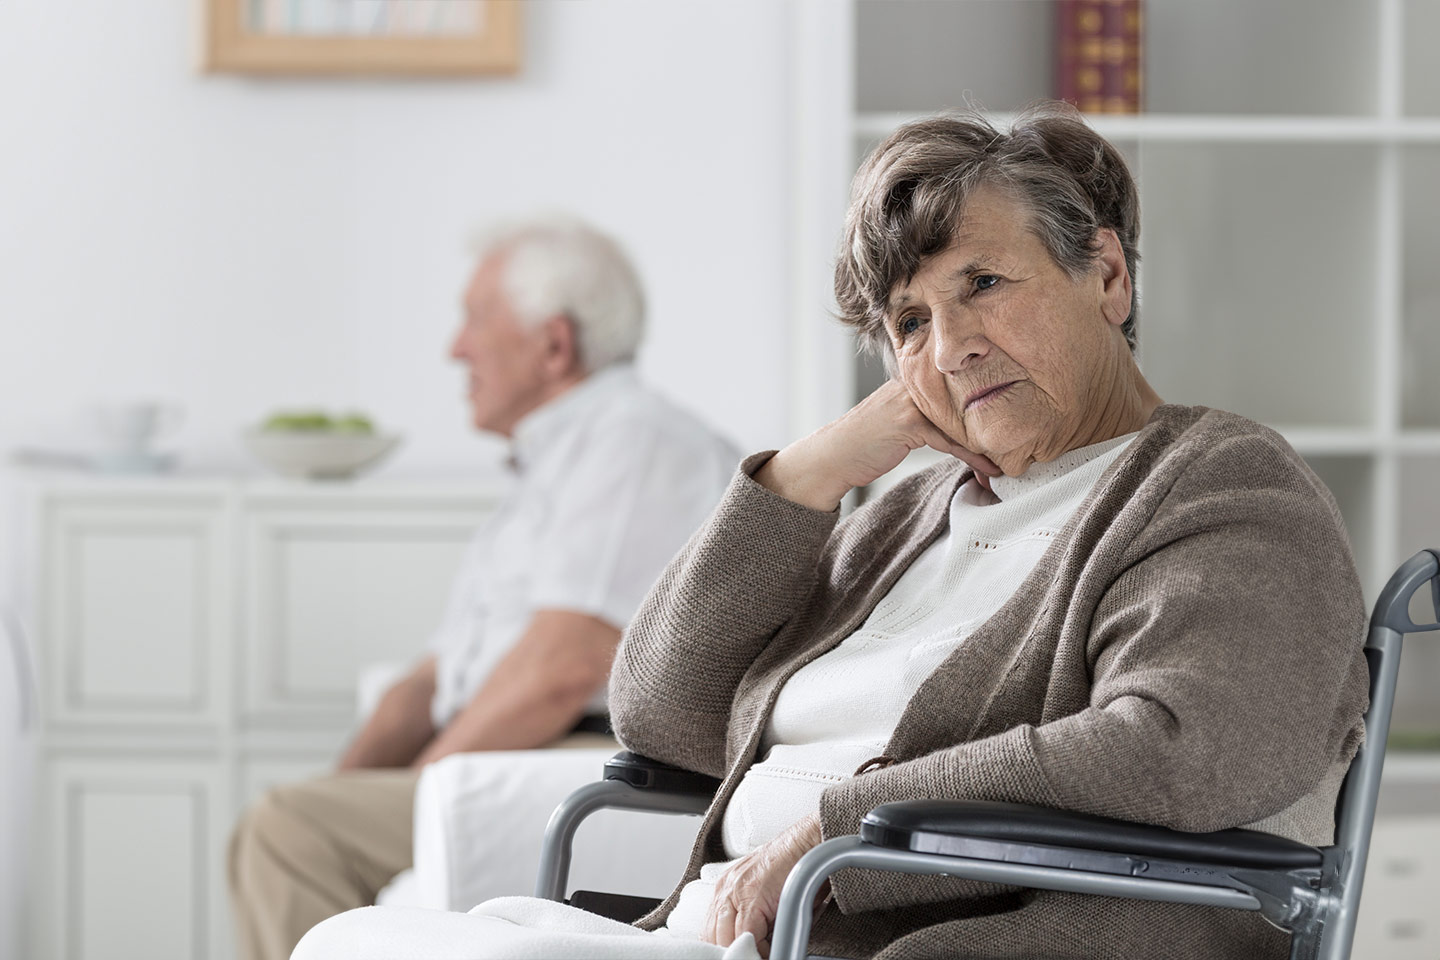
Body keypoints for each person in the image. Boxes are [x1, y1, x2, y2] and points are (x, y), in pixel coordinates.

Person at [293, 104, 1369, 960]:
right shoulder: (904, 509)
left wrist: (836, 831)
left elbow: (1183, 751)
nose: (949, 349)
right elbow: (659, 714)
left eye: (982, 285)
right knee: (346, 939)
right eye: (908, 322)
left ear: (1108, 274)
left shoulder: (1218, 486)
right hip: (736, 930)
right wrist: (809, 474)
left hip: (907, 939)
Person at [227, 217, 740, 960]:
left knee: (287, 830)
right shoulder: (551, 466)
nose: (454, 348)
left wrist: (419, 795)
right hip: (516, 751)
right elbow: (428, 683)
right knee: (301, 815)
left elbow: (563, 670)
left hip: (584, 756)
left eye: (474, 318)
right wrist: (347, 789)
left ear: (554, 344)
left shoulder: (636, 442)